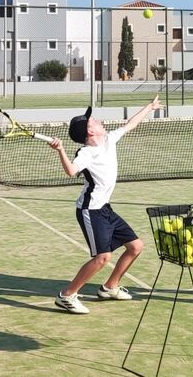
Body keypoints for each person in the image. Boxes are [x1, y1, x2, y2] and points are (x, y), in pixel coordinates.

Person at [48, 95, 163, 314]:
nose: (98, 121)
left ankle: (110, 287)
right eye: (92, 121)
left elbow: (131, 124)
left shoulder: (109, 139)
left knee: (135, 246)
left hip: (105, 209)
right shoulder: (86, 153)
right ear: (90, 132)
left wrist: (149, 107)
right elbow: (72, 171)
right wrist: (60, 150)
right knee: (103, 257)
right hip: (90, 211)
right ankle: (67, 296)